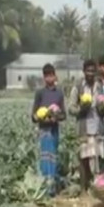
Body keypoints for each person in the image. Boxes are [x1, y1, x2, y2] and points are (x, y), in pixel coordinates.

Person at [68, 59, 104, 192]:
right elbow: (71, 108)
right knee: (84, 157)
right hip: (84, 127)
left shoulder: (99, 85)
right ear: (84, 72)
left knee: (97, 156)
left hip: (97, 126)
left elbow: (103, 101)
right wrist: (81, 109)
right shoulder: (78, 86)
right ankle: (84, 187)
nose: (90, 73)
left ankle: (95, 186)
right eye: (88, 71)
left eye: (92, 71)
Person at [31, 63, 66, 197]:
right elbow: (33, 115)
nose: (49, 78)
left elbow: (64, 115)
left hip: (54, 129)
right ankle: (46, 186)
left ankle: (53, 186)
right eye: (46, 76)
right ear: (44, 77)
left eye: (51, 75)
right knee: (45, 157)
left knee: (54, 156)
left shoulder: (59, 93)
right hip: (44, 130)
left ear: (55, 76)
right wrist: (42, 119)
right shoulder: (40, 93)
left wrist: (55, 117)